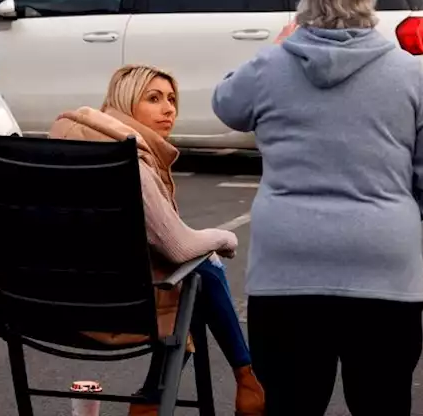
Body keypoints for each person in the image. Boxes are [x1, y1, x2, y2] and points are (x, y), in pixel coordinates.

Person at [211, 0, 423, 416]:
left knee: (289, 402)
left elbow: (227, 105)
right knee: (382, 401)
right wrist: (407, 212)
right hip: (383, 267)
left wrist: (278, 45)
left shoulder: (271, 66)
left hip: (287, 271)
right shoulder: (408, 75)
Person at [48, 65, 264, 416]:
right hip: (115, 311)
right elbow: (178, 246)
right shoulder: (127, 155)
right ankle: (240, 380)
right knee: (199, 269)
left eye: (172, 100)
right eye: (154, 98)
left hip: (42, 305)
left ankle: (166, 397)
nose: (169, 110)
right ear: (125, 101)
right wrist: (225, 238)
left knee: (190, 276)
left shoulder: (66, 145)